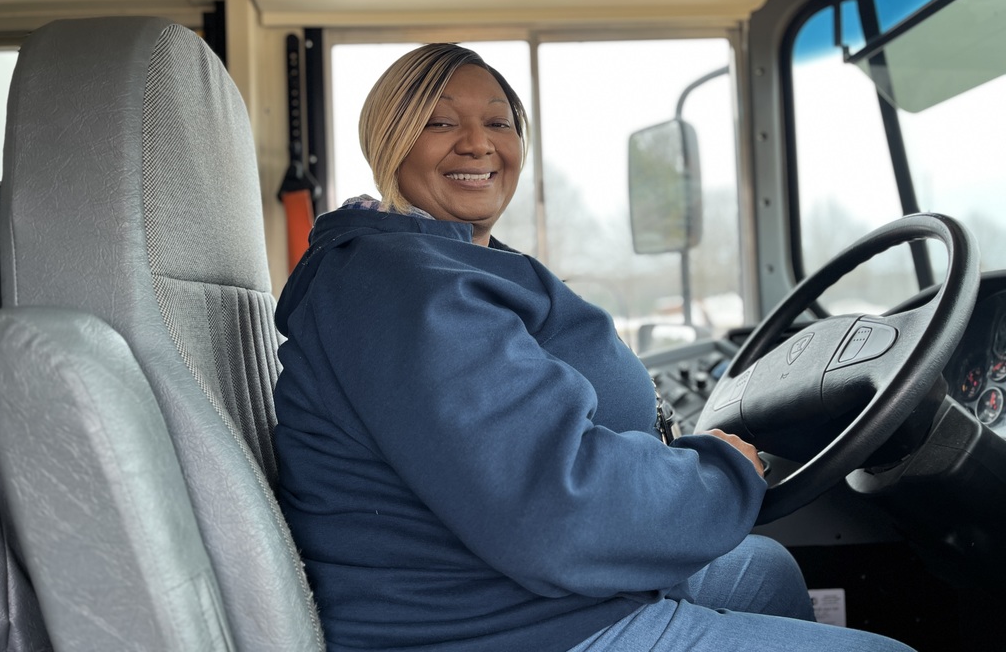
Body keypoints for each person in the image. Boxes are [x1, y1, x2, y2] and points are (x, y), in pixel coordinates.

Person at [272, 43, 915, 652]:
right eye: (439, 123)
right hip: (498, 627)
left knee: (764, 569)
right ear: (389, 144)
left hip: (512, 591)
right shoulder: (406, 293)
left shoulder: (437, 263)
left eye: (500, 122)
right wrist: (721, 474)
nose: (478, 143)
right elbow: (552, 512)